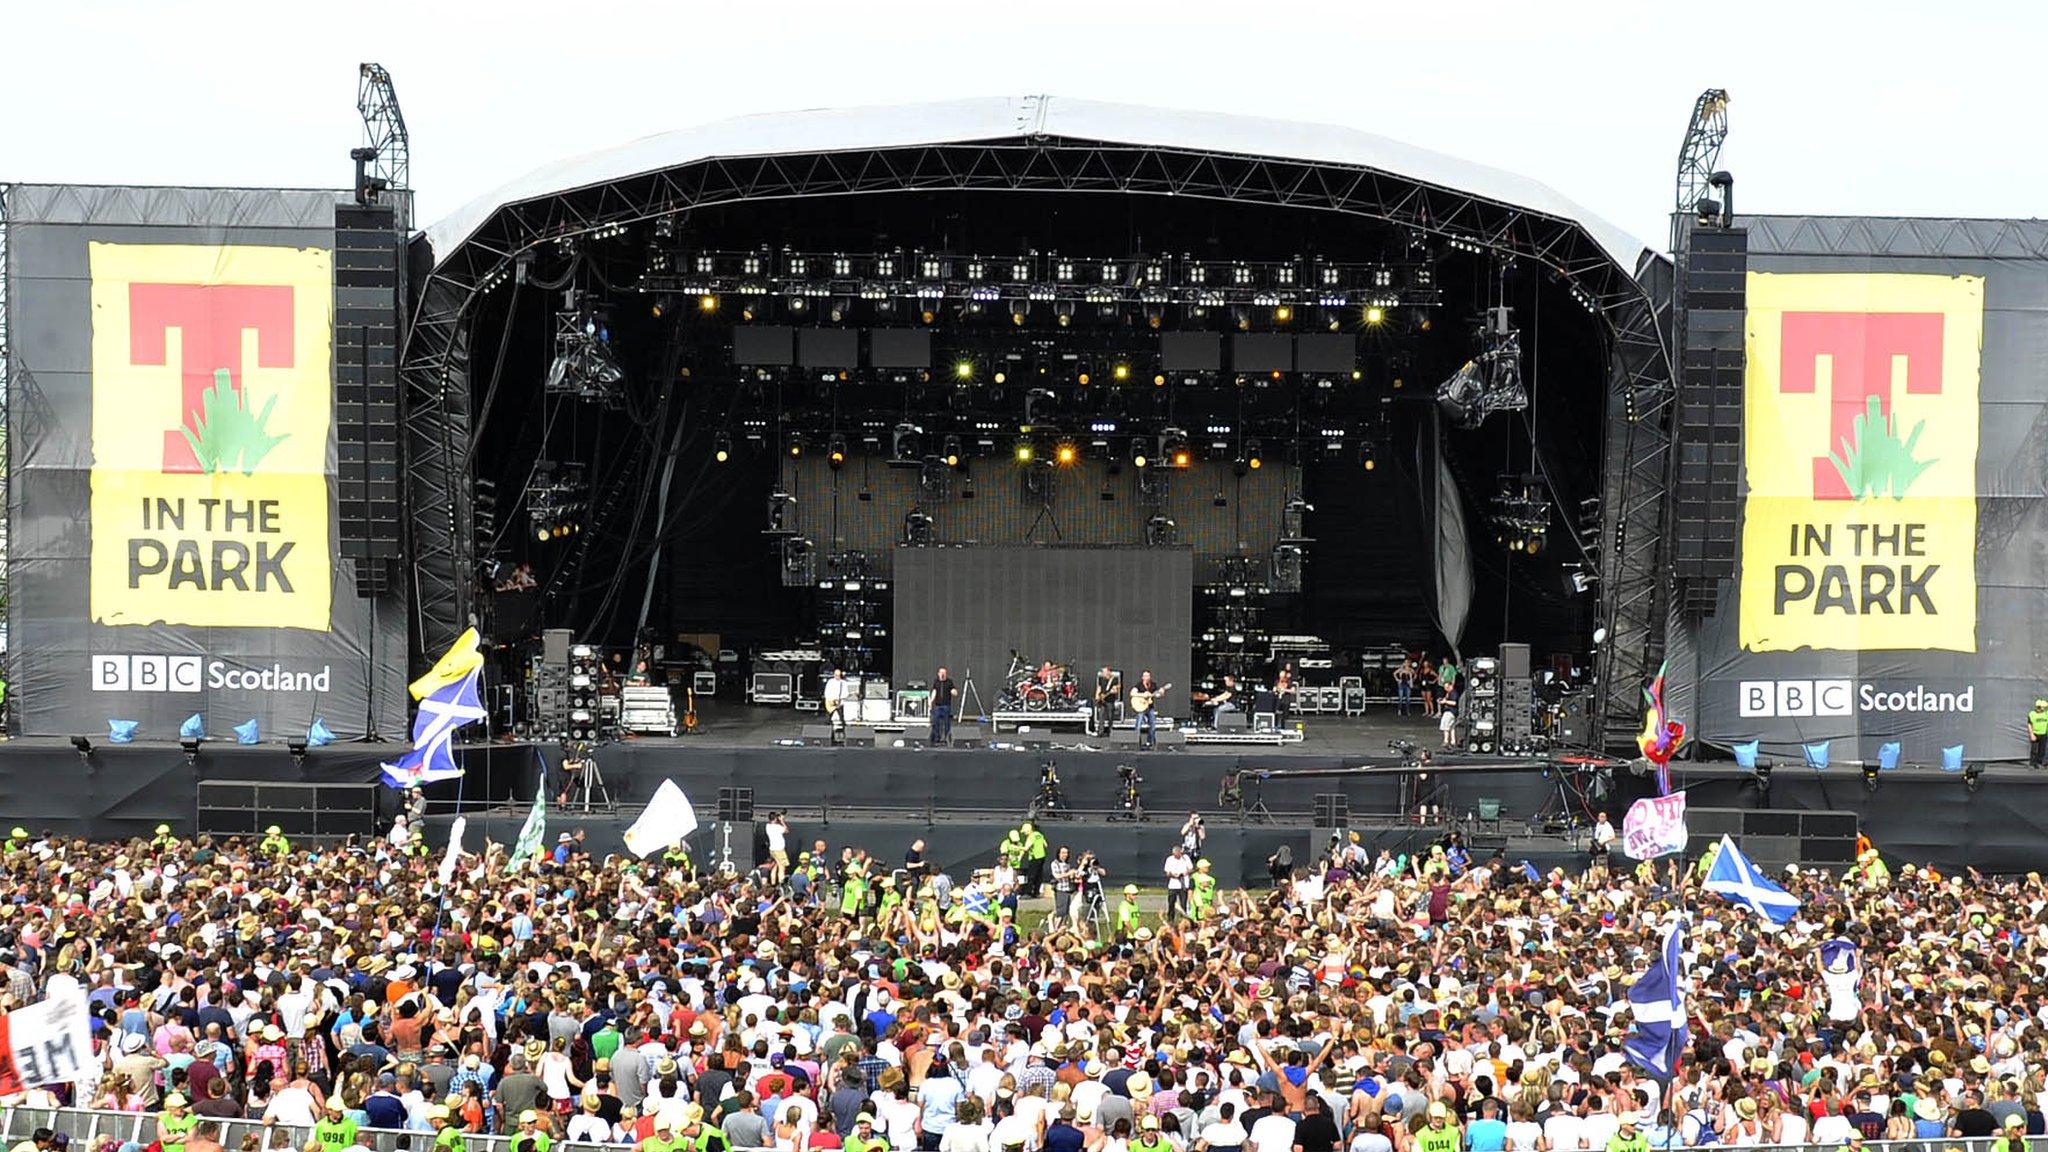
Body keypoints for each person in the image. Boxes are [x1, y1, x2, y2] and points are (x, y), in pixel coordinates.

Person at [1132, 671, 1163, 750]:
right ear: (1142, 677)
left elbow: (1158, 695)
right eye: (1145, 676)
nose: (1146, 678)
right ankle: (1136, 742)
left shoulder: (1153, 685)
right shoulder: (1139, 685)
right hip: (1141, 708)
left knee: (1152, 725)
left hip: (1150, 707)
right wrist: (1143, 695)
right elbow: (1132, 693)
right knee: (1138, 725)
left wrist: (1161, 693)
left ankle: (1150, 742)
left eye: (1148, 676)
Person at [1162, 846, 1193, 921]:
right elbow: (1167, 872)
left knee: (1183, 903)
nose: (1176, 856)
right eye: (1175, 854)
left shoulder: (1185, 858)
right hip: (1173, 885)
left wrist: (1185, 873)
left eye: (1178, 854)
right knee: (1171, 903)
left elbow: (1191, 869)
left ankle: (1183, 919)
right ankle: (1170, 918)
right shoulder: (1169, 859)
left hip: (1183, 884)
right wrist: (1174, 875)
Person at [930, 668, 957, 746]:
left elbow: (954, 691)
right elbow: (934, 691)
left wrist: (954, 692)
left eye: (944, 673)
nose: (942, 674)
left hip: (946, 705)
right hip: (937, 706)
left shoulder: (949, 682)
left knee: (946, 722)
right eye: (941, 673)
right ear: (938, 674)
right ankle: (937, 738)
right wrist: (931, 701)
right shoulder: (936, 681)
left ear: (946, 674)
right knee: (936, 722)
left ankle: (947, 738)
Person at [1092, 667, 1121, 738]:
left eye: (1104, 672)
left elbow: (1116, 690)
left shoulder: (1114, 680)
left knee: (1110, 716)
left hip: (1110, 700)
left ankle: (1110, 732)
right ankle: (1100, 732)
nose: (1103, 673)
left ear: (1108, 672)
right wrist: (1097, 697)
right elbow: (1099, 688)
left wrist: (1113, 691)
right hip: (1102, 701)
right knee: (1101, 716)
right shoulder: (1101, 679)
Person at [825, 669, 851, 740]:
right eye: (836, 675)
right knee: (828, 719)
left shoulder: (844, 683)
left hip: (839, 703)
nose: (837, 676)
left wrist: (839, 699)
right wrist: (831, 700)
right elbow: (827, 692)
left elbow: (846, 693)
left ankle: (846, 735)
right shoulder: (830, 682)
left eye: (839, 675)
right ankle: (829, 734)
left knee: (842, 719)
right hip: (831, 703)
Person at [2030, 698, 2048, 767]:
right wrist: (2031, 734)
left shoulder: (2046, 713)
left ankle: (2040, 762)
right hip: (2035, 733)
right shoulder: (2032, 714)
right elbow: (2029, 724)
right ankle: (2033, 763)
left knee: (2042, 749)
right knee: (2034, 749)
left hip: (2044, 733)